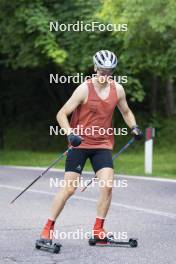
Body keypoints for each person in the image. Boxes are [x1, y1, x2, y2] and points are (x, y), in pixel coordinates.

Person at [38, 50, 142, 245]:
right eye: (102, 71)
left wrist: (134, 126)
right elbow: (61, 114)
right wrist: (70, 133)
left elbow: (126, 111)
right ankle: (47, 229)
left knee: (108, 185)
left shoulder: (117, 89)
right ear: (95, 68)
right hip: (79, 144)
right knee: (69, 189)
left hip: (102, 145)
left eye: (109, 72)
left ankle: (98, 230)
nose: (105, 76)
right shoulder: (84, 89)